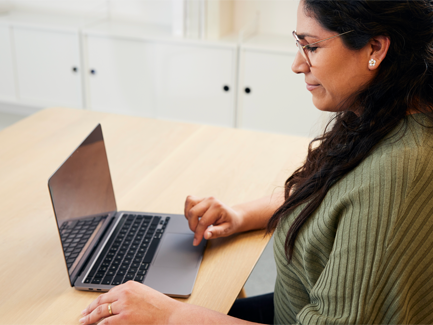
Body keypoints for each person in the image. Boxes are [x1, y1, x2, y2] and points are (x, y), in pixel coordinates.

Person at [79, 0, 433, 324]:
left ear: (374, 48)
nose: (297, 64)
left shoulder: (397, 172)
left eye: (311, 46)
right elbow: (338, 195)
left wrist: (169, 315)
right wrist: (241, 215)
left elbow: (366, 198)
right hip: (293, 307)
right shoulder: (384, 114)